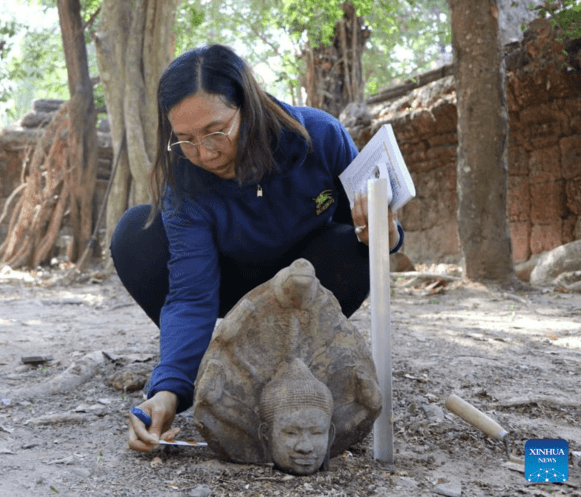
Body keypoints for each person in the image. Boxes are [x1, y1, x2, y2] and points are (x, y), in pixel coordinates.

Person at [110, 44, 403, 453]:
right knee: (134, 235)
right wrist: (168, 391)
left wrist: (384, 236)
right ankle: (214, 364)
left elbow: (372, 227)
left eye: (216, 131)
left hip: (304, 287)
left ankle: (294, 361)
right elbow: (191, 295)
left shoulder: (319, 136)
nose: (205, 153)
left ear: (248, 106)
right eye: (186, 140)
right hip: (228, 287)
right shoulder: (186, 182)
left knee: (349, 244)